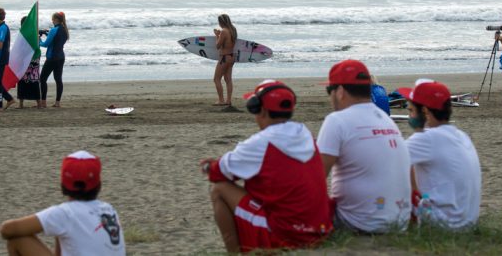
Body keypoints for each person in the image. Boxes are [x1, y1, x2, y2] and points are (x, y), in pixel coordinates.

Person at [200, 80, 332, 253]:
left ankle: (233, 252)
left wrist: (209, 167)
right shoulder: (305, 135)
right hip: (319, 230)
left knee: (219, 190)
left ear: (258, 109)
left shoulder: (261, 143)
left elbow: (218, 174)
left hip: (286, 235)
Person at [317, 59, 411, 233]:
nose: (329, 96)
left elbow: (316, 176)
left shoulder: (336, 121)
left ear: (340, 91)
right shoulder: (386, 120)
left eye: (329, 90)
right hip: (399, 221)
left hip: (358, 223)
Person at [0, 150, 125, 256]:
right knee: (61, 231)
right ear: (98, 184)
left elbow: (7, 229)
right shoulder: (109, 209)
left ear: (63, 184)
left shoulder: (66, 213)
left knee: (18, 240)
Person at [397, 79, 481, 230]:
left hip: (445, 223)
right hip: (467, 221)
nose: (409, 116)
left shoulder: (427, 139)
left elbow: (386, 162)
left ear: (425, 112)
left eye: (410, 111)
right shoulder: (461, 136)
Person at [39, 12, 69, 108]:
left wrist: (38, 38)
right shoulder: (65, 30)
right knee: (58, 79)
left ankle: (43, 102)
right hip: (61, 57)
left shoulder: (53, 30)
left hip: (52, 58)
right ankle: (57, 102)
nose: (52, 21)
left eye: (53, 19)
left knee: (42, 79)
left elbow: (45, 44)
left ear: (56, 19)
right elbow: (57, 40)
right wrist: (47, 33)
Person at [213, 14, 237, 106]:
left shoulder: (224, 31)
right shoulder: (233, 30)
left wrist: (217, 36)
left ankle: (221, 100)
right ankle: (228, 100)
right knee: (228, 79)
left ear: (221, 22)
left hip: (224, 57)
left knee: (216, 79)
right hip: (232, 57)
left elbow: (218, 46)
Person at [17, 16, 41, 109]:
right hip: (34, 59)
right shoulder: (35, 33)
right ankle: (38, 103)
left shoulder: (24, 34)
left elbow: (21, 47)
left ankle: (21, 104)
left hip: (28, 59)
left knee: (23, 80)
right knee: (33, 80)